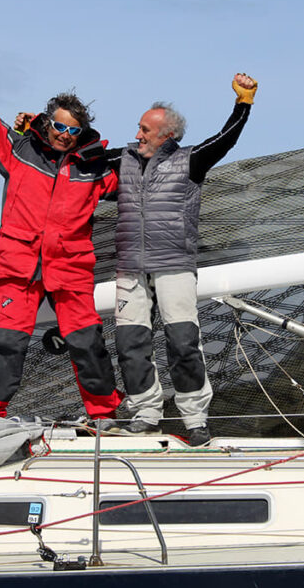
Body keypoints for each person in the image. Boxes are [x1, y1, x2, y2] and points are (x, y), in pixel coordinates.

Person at [0, 45, 121, 421]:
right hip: (19, 266)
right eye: (59, 126)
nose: (65, 135)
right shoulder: (19, 151)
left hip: (69, 269)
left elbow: (144, 174)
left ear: (81, 133)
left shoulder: (97, 169)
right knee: (8, 342)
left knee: (88, 343)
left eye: (73, 130)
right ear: (47, 122)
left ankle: (106, 416)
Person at [110, 73, 257, 446]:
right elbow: (74, 156)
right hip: (130, 266)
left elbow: (224, 141)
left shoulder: (190, 161)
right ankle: (146, 412)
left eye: (145, 130)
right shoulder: (121, 160)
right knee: (130, 343)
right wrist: (30, 134)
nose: (138, 135)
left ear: (167, 135)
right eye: (139, 128)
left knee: (182, 341)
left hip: (174, 263)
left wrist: (244, 103)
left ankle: (194, 417)